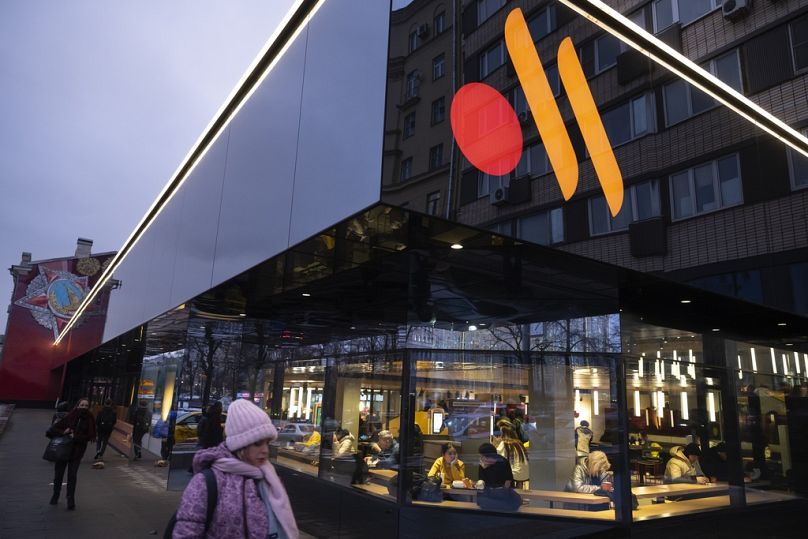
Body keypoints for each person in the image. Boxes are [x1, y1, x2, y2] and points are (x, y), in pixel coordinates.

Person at [173, 398, 299, 538]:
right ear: (240, 445)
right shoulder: (206, 482)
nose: (265, 450)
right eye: (257, 443)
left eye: (267, 443)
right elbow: (186, 531)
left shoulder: (270, 478)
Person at [49, 398, 96, 510]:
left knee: (72, 476)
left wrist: (76, 437)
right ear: (77, 405)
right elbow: (53, 429)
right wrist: (64, 432)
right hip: (63, 450)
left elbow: (90, 436)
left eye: (86, 405)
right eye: (82, 405)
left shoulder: (89, 418)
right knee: (58, 475)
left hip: (77, 452)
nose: (84, 407)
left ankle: (70, 500)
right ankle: (55, 495)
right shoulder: (70, 416)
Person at [496, 422, 529, 488]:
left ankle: (506, 494)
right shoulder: (519, 443)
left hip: (514, 472)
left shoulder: (504, 443)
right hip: (525, 472)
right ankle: (520, 494)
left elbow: (498, 457)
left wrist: (496, 444)